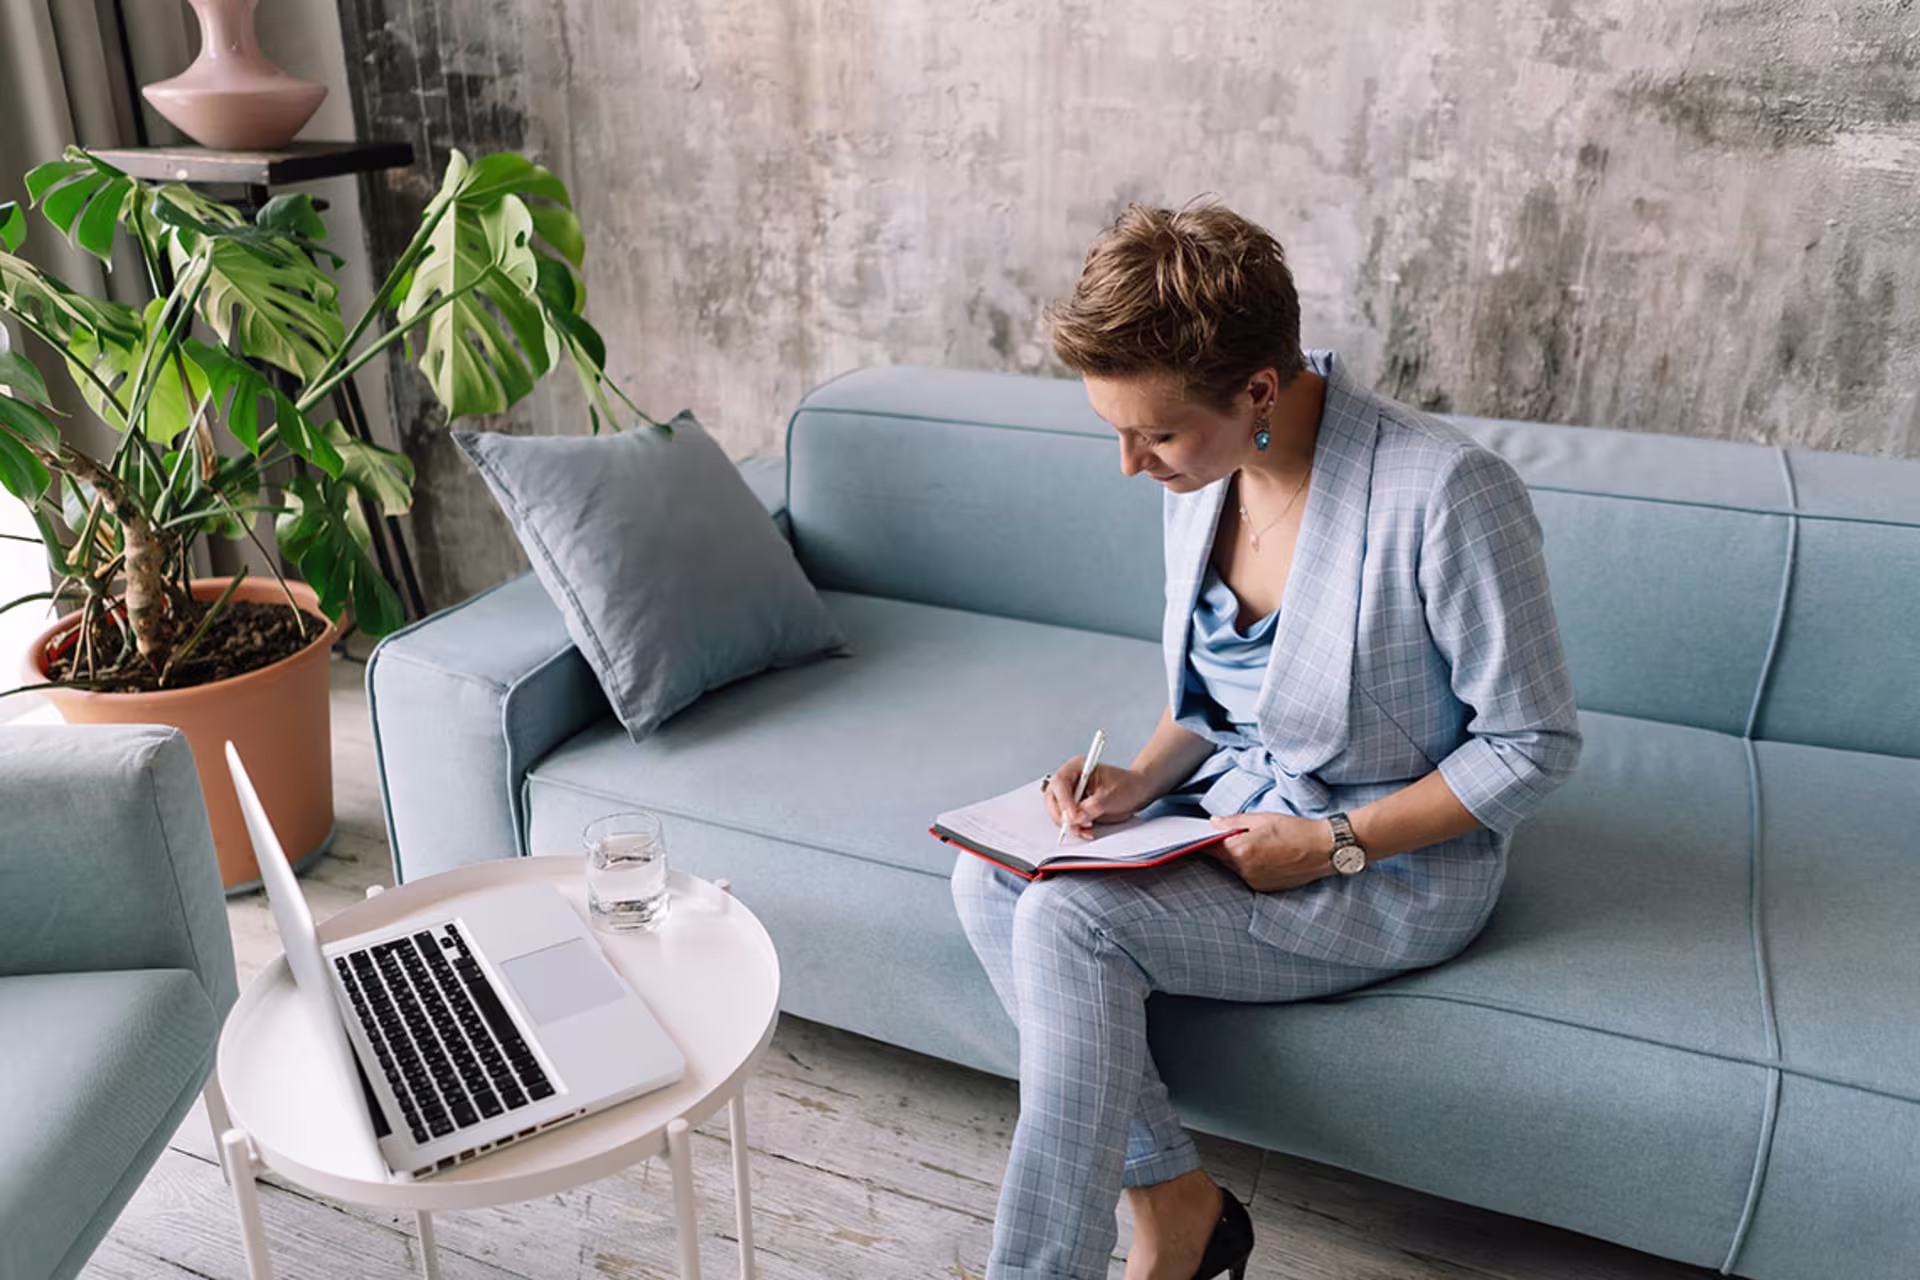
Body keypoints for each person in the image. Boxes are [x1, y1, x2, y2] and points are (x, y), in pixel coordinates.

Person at [950, 203, 1583, 1280]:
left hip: (1390, 863)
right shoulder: (1204, 469)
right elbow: (1225, 698)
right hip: (1233, 813)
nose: (1129, 464)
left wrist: (1335, 842)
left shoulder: (1446, 492)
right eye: (1115, 429)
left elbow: (1533, 743)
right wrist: (1140, 776)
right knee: (989, 877)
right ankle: (1180, 1204)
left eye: (1153, 434)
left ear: (1257, 391)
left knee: (1067, 920)